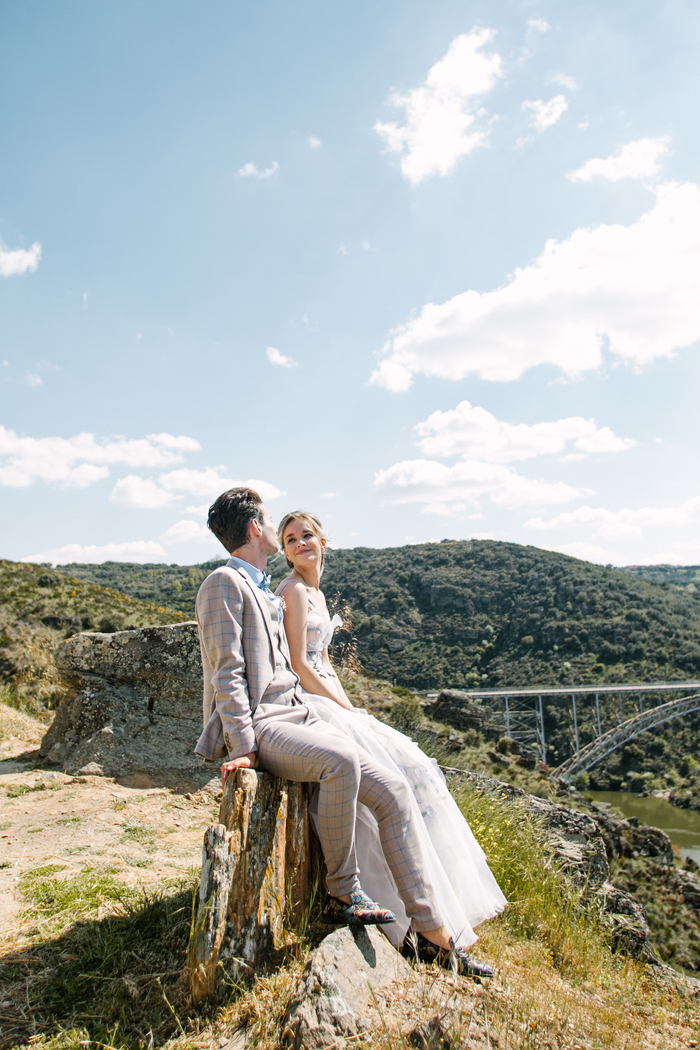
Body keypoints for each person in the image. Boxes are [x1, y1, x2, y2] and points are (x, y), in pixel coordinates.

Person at [194, 487, 494, 976]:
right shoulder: (222, 583)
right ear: (255, 528)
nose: (277, 529)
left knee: (394, 789)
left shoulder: (264, 585)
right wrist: (244, 748)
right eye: (271, 522)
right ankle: (342, 891)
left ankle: (431, 933)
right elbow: (226, 672)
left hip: (298, 709)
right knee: (342, 760)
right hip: (267, 722)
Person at [275, 510, 506, 968]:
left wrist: (354, 706)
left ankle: (440, 905)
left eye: (306, 535)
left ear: (324, 541)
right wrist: (342, 711)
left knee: (418, 767)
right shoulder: (295, 592)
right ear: (283, 552)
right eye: (289, 540)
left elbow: (327, 664)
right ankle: (409, 922)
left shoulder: (317, 594)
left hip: (331, 697)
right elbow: (301, 665)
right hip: (308, 701)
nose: (300, 544)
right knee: (379, 782)